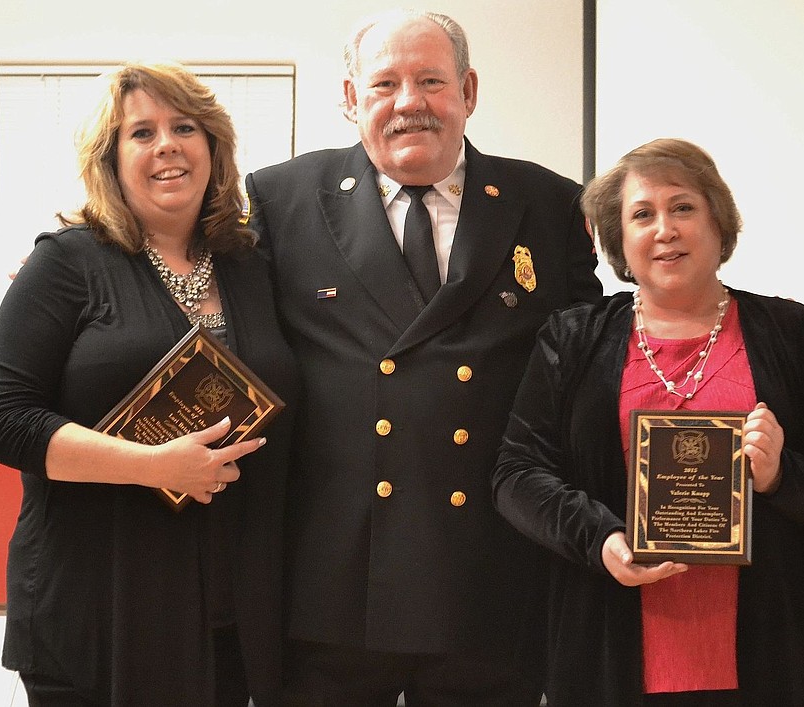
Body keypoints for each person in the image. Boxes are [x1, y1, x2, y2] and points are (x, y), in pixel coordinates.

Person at [243, 9, 602, 706]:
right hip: (334, 582)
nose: (409, 102)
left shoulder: (548, 202)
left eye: (431, 80)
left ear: (468, 91)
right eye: (384, 84)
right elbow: (220, 320)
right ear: (351, 99)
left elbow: (584, 366)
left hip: (490, 577)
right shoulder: (279, 198)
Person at [491, 138, 804, 706]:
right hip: (608, 649)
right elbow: (516, 475)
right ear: (618, 239)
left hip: (766, 651)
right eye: (642, 214)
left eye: (682, 207)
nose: (664, 229)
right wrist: (602, 539)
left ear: (718, 221)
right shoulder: (573, 338)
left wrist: (783, 474)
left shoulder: (791, 332)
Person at [0, 63, 298, 706]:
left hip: (229, 609)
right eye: (141, 132)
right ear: (110, 159)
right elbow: (2, 414)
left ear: (213, 149)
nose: (167, 144)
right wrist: (150, 465)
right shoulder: (66, 261)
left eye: (184, 127)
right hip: (95, 604)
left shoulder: (250, 267)